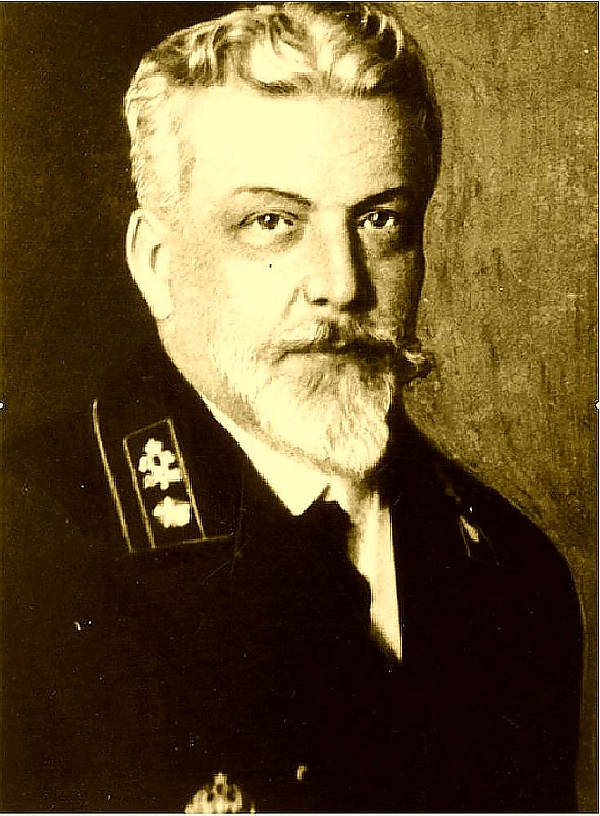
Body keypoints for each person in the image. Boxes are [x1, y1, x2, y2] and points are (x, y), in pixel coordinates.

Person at [3, 3, 582, 812]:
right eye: (272, 222)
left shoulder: (515, 574)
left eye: (380, 219)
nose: (342, 285)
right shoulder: (25, 548)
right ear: (157, 263)